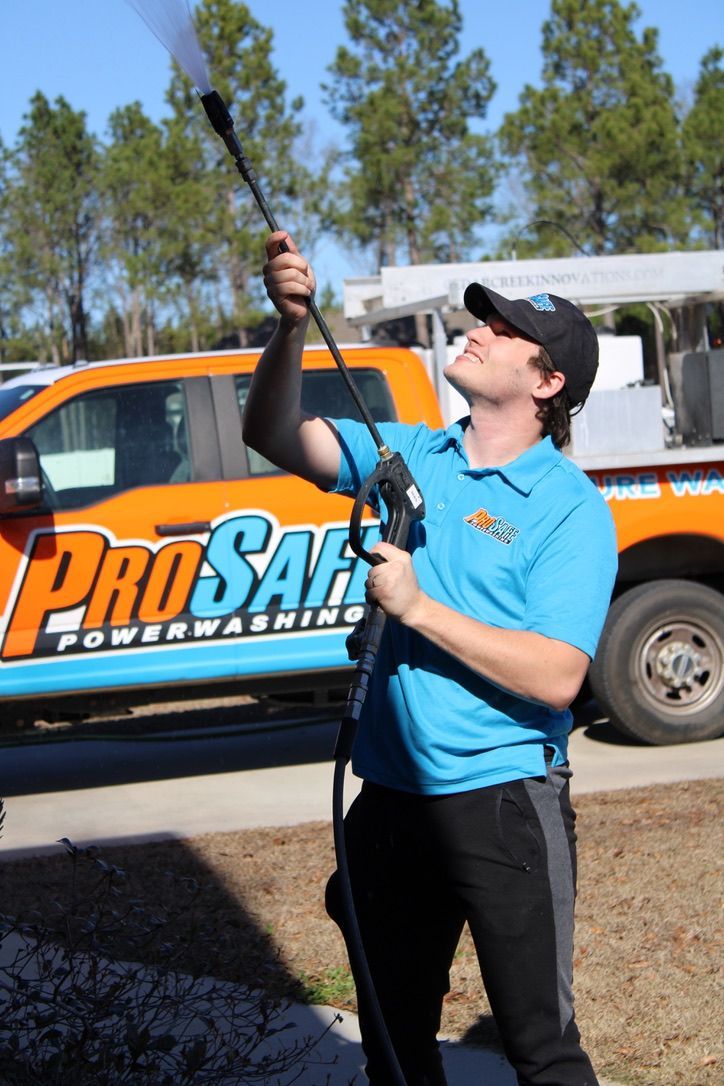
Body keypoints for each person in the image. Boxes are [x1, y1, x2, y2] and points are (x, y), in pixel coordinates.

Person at [243, 231, 618, 1086]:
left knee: (542, 1051)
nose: (476, 329)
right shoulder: (409, 454)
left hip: (504, 804)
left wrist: (419, 608)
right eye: (480, 316)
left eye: (503, 330)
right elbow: (272, 433)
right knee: (396, 1052)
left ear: (547, 383)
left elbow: (559, 674)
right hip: (390, 802)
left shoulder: (569, 510)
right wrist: (292, 327)